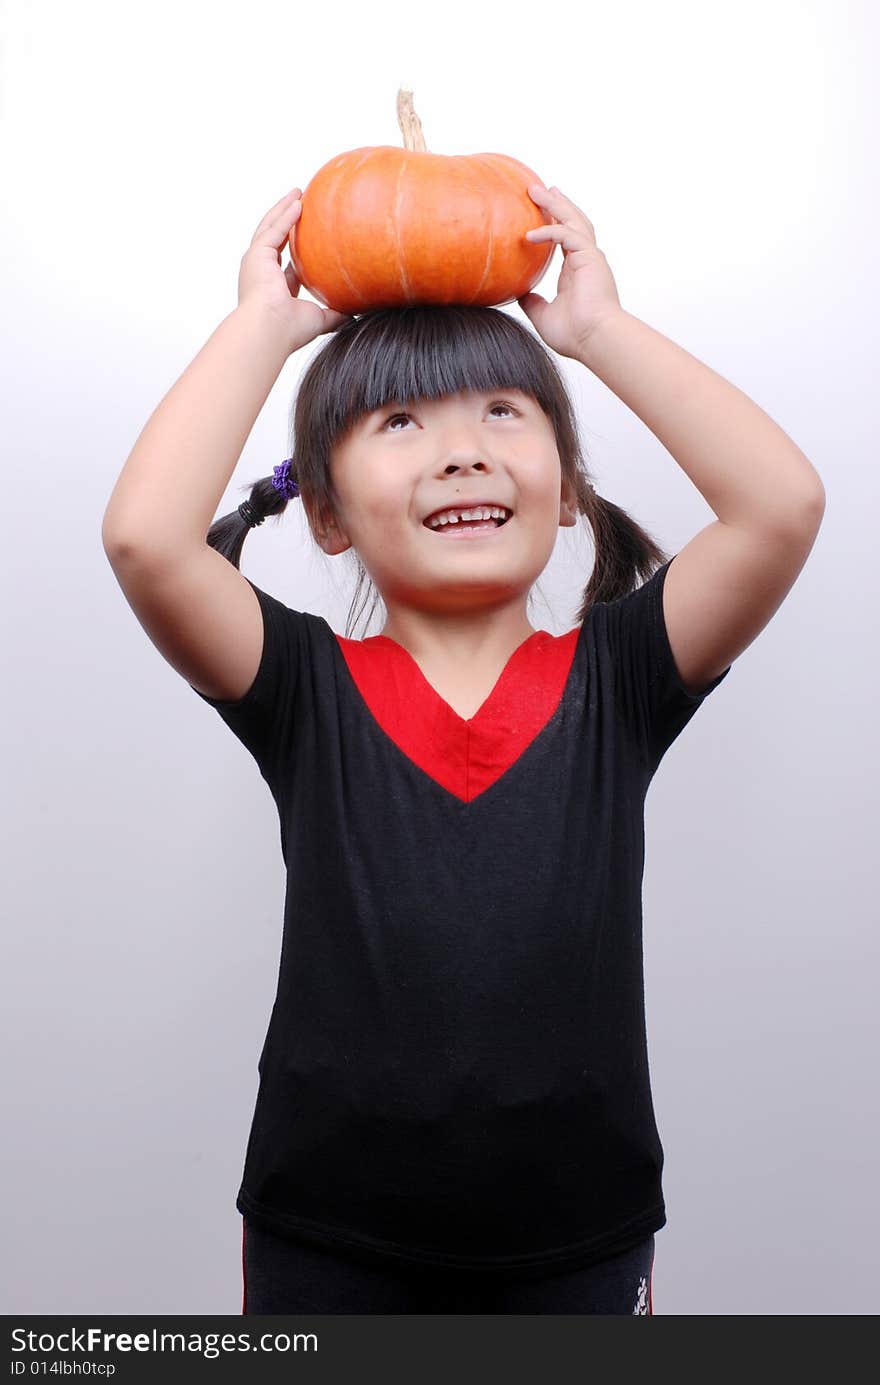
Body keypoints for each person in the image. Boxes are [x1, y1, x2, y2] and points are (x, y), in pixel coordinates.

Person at [102, 183, 825, 1315]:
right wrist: (263, 326)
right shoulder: (303, 688)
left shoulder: (619, 677)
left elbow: (779, 504)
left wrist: (594, 333)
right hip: (327, 1239)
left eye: (501, 411)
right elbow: (148, 539)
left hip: (579, 1239)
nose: (460, 453)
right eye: (400, 422)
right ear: (328, 513)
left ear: (568, 487)